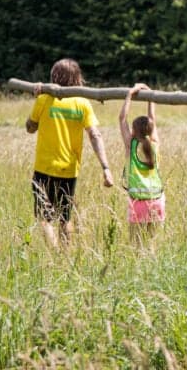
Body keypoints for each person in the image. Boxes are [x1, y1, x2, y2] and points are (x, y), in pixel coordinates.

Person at [25, 58, 114, 248]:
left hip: (44, 167)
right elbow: (95, 134)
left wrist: (36, 100)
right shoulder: (82, 103)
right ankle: (65, 255)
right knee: (65, 217)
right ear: (77, 78)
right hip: (69, 169)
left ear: (54, 76)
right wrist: (105, 167)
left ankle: (54, 252)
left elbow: (30, 128)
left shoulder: (44, 99)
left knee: (44, 218)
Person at [118, 82, 165, 246]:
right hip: (157, 200)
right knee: (151, 246)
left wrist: (129, 95)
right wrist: (150, 96)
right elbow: (152, 118)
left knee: (136, 246)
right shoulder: (155, 144)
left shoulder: (130, 145)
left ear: (134, 131)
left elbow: (122, 119)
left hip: (138, 202)